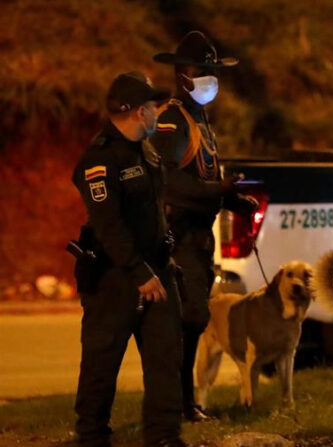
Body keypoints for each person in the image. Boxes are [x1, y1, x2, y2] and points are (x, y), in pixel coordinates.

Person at [72, 72, 188, 447]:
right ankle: (91, 436)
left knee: (166, 356)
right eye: (154, 107)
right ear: (140, 112)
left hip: (158, 268)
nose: (158, 113)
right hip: (114, 277)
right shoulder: (100, 160)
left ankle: (164, 437)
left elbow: (150, 210)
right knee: (102, 363)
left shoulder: (146, 151)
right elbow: (108, 225)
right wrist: (138, 272)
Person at [149, 31, 258, 422]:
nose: (211, 80)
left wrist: (232, 200)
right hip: (178, 236)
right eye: (203, 72)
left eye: (214, 72)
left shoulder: (200, 121)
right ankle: (175, 405)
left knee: (193, 321)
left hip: (199, 237)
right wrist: (221, 189)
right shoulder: (172, 122)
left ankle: (183, 403)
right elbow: (169, 184)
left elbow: (203, 179)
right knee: (184, 322)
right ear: (181, 74)